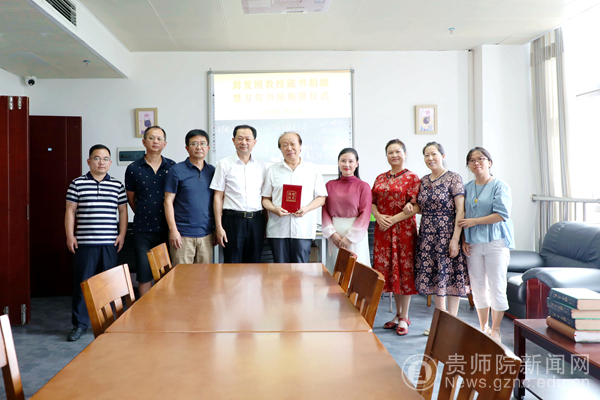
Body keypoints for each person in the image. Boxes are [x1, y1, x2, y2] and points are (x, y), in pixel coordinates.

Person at [406, 142, 470, 336]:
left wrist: (455, 239)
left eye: (433, 154)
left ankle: (452, 323)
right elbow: (419, 206)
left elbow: (460, 210)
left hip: (448, 232)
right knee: (436, 278)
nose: (430, 158)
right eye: (426, 155)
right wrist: (410, 207)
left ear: (442, 156)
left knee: (450, 277)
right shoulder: (424, 180)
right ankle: (440, 322)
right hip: (427, 234)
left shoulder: (453, 178)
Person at [65, 144, 127, 341]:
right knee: (83, 285)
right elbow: (70, 211)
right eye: (97, 158)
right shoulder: (77, 184)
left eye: (105, 159)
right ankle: (79, 325)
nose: (101, 162)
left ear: (110, 162)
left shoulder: (117, 185)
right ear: (89, 161)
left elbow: (123, 211)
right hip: (85, 243)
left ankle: (109, 323)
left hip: (110, 243)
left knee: (110, 285)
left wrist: (122, 234)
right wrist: (69, 235)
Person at [458, 147, 514, 343]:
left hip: (495, 242)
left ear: (489, 162)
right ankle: (483, 327)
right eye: (472, 160)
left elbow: (502, 214)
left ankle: (496, 329)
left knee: (497, 286)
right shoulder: (466, 188)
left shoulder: (500, 186)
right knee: (478, 287)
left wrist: (474, 222)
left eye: (481, 159)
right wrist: (464, 239)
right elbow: (461, 216)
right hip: (472, 243)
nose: (476, 163)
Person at [371, 139, 420, 336]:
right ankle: (398, 315)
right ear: (386, 156)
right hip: (383, 230)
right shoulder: (380, 178)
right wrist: (378, 216)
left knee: (404, 271)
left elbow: (416, 206)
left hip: (403, 231)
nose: (394, 155)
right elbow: (372, 202)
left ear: (405, 154)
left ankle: (405, 317)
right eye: (390, 152)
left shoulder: (412, 178)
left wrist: (392, 220)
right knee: (392, 272)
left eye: (398, 151)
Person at [125, 126, 176, 297]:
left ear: (165, 143)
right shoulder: (133, 168)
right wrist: (144, 212)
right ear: (144, 142)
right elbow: (131, 199)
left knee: (166, 275)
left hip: (167, 229)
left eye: (159, 139)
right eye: (152, 138)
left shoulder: (173, 167)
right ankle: (145, 311)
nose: (155, 141)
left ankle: (164, 310)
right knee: (144, 275)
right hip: (143, 230)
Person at [262, 131, 327, 263]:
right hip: (278, 230)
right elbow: (265, 199)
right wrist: (274, 209)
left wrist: (307, 208)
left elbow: (321, 198)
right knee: (280, 270)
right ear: (280, 149)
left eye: (292, 144)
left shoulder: (313, 170)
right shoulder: (272, 170)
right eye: (285, 145)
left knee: (301, 270)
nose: (289, 148)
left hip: (303, 229)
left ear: (300, 146)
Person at [210, 125, 267, 263]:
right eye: (240, 138)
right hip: (232, 221)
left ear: (254, 142)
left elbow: (264, 196)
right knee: (232, 264)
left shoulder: (261, 165)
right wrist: (219, 227)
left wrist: (266, 225)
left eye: (248, 139)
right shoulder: (224, 164)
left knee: (254, 265)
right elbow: (218, 197)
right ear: (233, 140)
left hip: (256, 221)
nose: (244, 142)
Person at [164, 129, 216, 265]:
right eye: (194, 144)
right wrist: (173, 231)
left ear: (208, 148)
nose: (199, 147)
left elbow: (217, 201)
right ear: (187, 148)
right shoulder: (176, 170)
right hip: (182, 235)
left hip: (207, 235)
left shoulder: (213, 171)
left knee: (205, 276)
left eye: (202, 143)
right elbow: (168, 202)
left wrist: (216, 228)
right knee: (181, 276)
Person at [322, 148, 372, 273]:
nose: (347, 164)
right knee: (336, 269)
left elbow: (365, 214)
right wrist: (332, 234)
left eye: (351, 161)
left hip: (356, 235)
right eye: (343, 161)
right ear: (338, 163)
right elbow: (325, 211)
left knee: (355, 270)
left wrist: (350, 238)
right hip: (335, 234)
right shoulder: (329, 185)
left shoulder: (363, 186)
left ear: (357, 163)